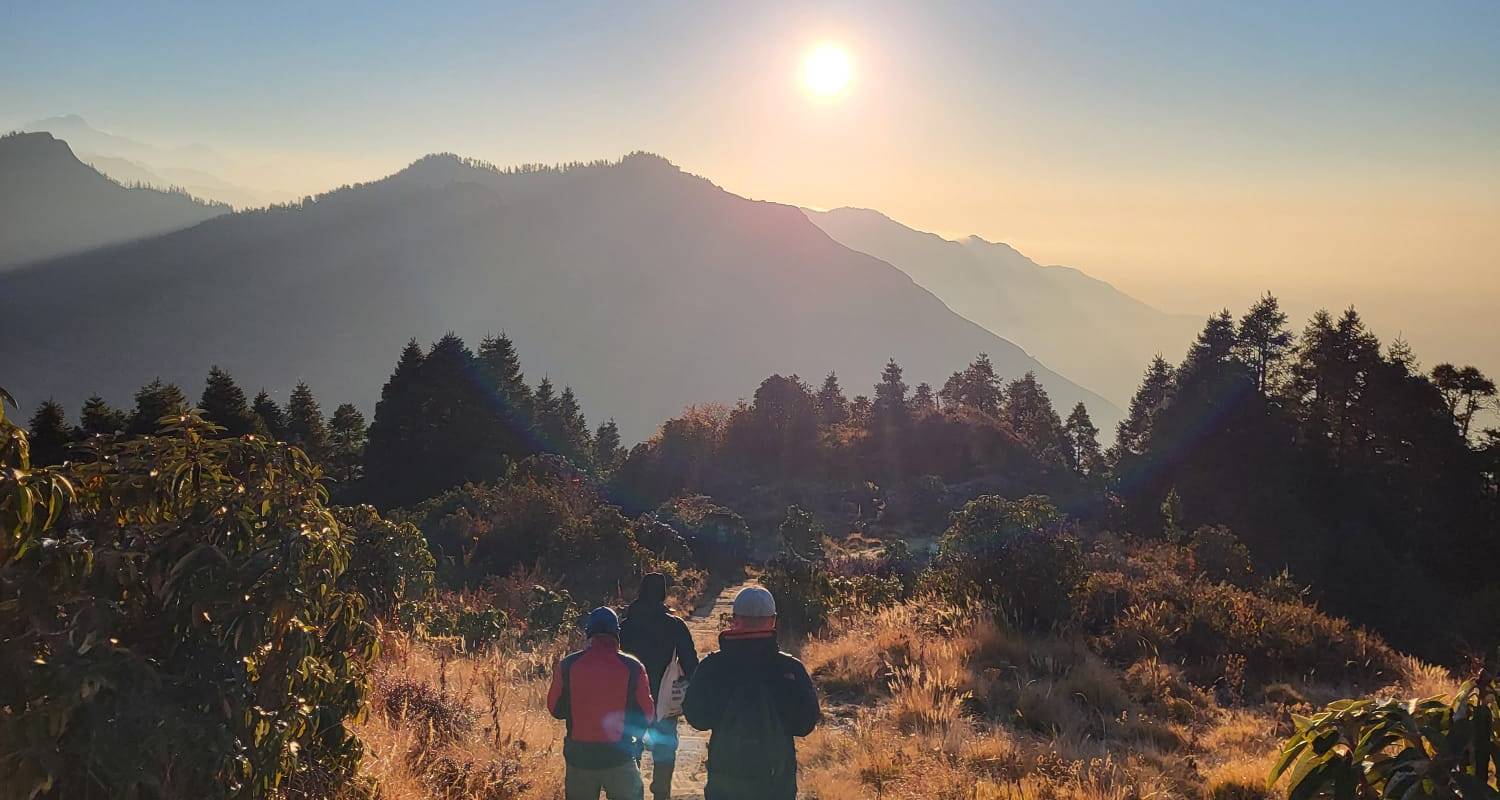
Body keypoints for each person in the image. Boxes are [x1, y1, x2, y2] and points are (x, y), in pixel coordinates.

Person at [682, 586, 820, 800]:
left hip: (725, 782)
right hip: (776, 782)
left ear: (735, 620)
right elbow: (805, 725)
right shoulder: (790, 668)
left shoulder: (712, 666)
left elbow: (696, 718)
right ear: (773, 621)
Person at [548, 607, 656, 800]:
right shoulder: (633, 667)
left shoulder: (568, 665)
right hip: (619, 757)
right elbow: (647, 716)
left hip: (579, 758)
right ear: (617, 633)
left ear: (589, 633)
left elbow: (555, 708)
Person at [618, 573, 700, 800]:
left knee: (631, 752)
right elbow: (691, 665)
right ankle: (661, 794)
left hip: (631, 701)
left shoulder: (625, 626)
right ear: (663, 594)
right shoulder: (675, 625)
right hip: (664, 700)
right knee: (664, 751)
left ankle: (632, 793)